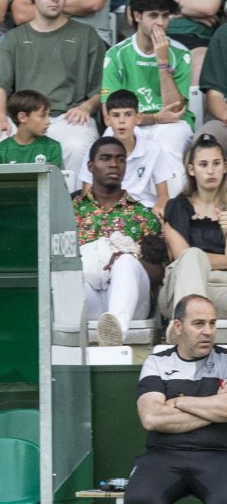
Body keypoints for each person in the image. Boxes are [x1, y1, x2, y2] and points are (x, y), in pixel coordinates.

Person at [123, 293, 227, 504]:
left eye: (212, 323)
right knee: (138, 503)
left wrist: (180, 402)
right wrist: (213, 408)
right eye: (198, 324)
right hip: (163, 455)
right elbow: (153, 418)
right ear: (178, 326)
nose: (208, 330)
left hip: (218, 455)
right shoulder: (157, 362)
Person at [0, 0, 104, 184]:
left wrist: (86, 107)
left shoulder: (87, 35)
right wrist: (0, 119)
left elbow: (103, 89)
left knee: (78, 147)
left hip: (70, 117)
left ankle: (75, 213)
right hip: (23, 118)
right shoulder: (14, 38)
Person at [75, 136, 162, 346]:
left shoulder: (143, 215)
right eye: (105, 158)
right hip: (90, 299)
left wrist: (127, 259)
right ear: (91, 166)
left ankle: (115, 336)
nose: (114, 164)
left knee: (124, 262)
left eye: (120, 159)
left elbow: (160, 274)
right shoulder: (71, 212)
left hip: (134, 304)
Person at [102, 0, 192, 174]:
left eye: (165, 16)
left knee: (167, 148)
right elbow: (108, 116)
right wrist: (154, 118)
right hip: (130, 122)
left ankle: (170, 204)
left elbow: (175, 109)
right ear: (137, 16)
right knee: (111, 145)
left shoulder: (181, 54)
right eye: (153, 15)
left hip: (171, 125)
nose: (160, 23)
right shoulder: (116, 55)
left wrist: (162, 62)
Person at [159, 134, 227, 324]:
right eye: (203, 164)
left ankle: (191, 326)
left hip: (222, 288)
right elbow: (183, 256)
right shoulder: (177, 206)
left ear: (225, 166)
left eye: (216, 163)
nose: (211, 171)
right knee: (191, 257)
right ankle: (188, 328)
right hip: (181, 289)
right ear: (191, 169)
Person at [79, 90, 177, 215]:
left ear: (138, 118)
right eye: (116, 115)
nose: (122, 121)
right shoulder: (95, 149)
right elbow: (87, 192)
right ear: (107, 120)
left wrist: (160, 207)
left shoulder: (153, 149)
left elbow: (163, 195)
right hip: (106, 212)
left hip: (143, 210)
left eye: (128, 114)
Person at [126, 0, 221, 85]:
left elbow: (208, 7)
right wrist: (178, 12)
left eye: (166, 14)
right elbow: (131, 15)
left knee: (201, 61)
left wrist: (154, 6)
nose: (163, 17)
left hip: (193, 38)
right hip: (150, 38)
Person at [10, 0, 112, 46]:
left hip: (88, 38)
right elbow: (21, 14)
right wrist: (79, 1)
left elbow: (93, 1)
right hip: (40, 39)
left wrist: (44, 4)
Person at [0, 89, 63, 165]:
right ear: (22, 117)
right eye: (42, 116)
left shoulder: (53, 147)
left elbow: (55, 176)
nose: (48, 121)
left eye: (48, 115)